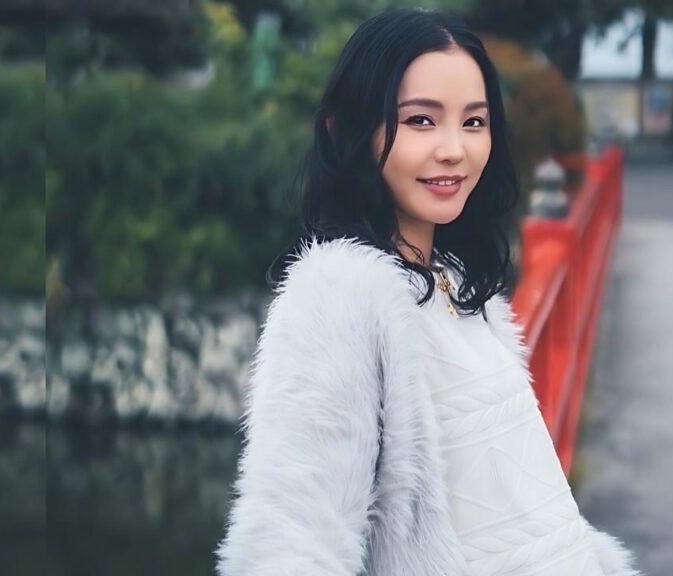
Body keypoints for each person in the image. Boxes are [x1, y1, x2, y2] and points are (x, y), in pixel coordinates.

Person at [214, 9, 639, 576]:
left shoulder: (462, 284)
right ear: (351, 130)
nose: (454, 150)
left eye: (473, 122)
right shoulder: (341, 296)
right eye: (420, 121)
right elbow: (294, 542)